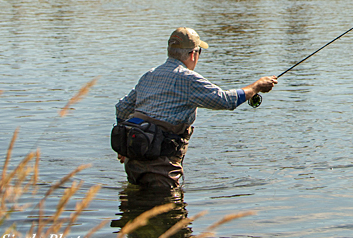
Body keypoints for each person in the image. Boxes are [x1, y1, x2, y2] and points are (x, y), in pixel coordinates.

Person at [114, 27, 277, 189]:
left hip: (133, 163)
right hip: (160, 169)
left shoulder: (149, 75)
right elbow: (226, 101)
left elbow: (122, 108)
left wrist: (124, 145)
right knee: (169, 210)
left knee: (136, 206)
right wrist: (257, 86)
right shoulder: (188, 79)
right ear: (193, 54)